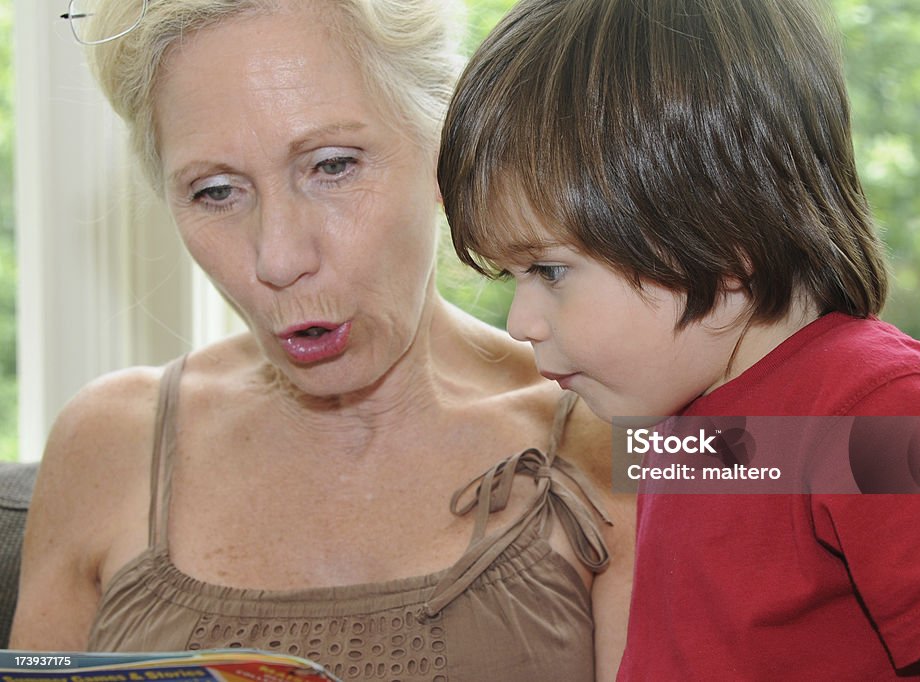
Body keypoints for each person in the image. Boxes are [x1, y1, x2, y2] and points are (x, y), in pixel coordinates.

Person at [10, 1, 635, 680]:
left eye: (333, 166)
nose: (278, 257)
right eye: (216, 191)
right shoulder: (106, 442)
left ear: (447, 148)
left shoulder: (622, 436)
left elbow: (762, 453)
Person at [436, 0, 920, 679]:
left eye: (549, 270)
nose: (521, 322)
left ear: (718, 236)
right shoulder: (692, 431)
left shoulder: (891, 420)